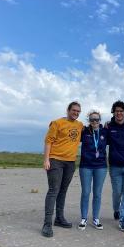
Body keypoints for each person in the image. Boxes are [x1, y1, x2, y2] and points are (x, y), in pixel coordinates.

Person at [41, 101, 83, 238]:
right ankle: (47, 224)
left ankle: (59, 218)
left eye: (78, 111)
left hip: (70, 162)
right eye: (74, 110)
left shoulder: (80, 125)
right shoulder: (57, 123)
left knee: (63, 191)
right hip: (55, 160)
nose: (76, 113)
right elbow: (48, 141)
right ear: (68, 110)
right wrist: (46, 159)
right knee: (54, 190)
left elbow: (91, 130)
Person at [107, 101, 124, 232]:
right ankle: (116, 210)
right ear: (113, 112)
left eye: (121, 111)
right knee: (117, 192)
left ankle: (123, 219)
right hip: (115, 167)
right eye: (117, 111)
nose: (119, 113)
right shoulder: (108, 127)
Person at [78, 110, 108, 231]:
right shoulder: (84, 131)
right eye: (92, 119)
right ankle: (83, 218)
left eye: (97, 119)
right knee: (85, 192)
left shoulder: (105, 131)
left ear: (100, 120)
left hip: (101, 166)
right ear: (89, 121)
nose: (94, 121)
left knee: (97, 194)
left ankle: (96, 218)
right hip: (85, 166)